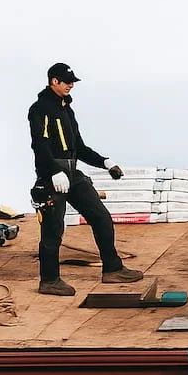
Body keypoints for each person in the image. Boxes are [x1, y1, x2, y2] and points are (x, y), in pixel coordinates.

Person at [28, 62, 143, 296]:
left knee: (100, 216)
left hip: (73, 174)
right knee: (53, 230)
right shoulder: (39, 109)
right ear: (54, 82)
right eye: (67, 81)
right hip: (53, 176)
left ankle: (112, 269)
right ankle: (49, 281)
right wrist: (52, 172)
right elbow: (39, 146)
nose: (71, 85)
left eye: (73, 82)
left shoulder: (66, 109)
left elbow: (78, 147)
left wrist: (105, 162)